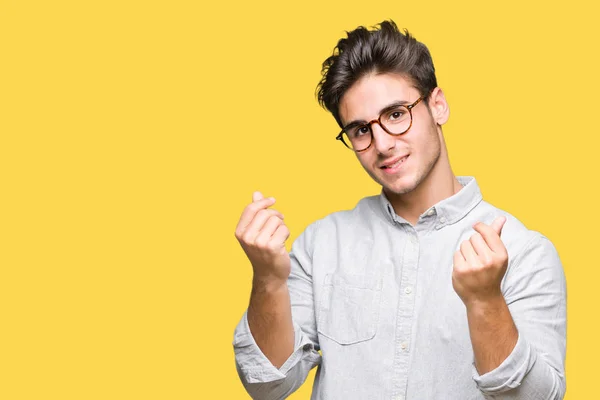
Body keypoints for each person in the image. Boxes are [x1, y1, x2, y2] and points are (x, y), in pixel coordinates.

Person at [232, 20, 567, 400]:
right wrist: (268, 280)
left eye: (395, 114)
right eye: (360, 130)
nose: (383, 144)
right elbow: (267, 385)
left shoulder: (524, 252)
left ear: (437, 105)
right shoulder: (320, 245)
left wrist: (486, 301)